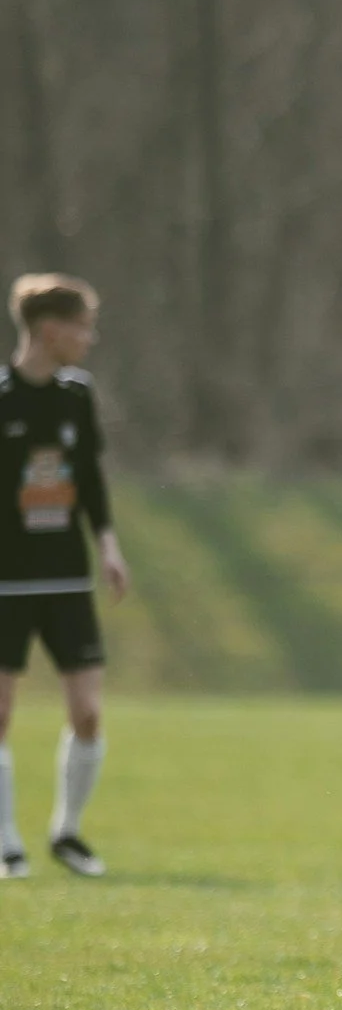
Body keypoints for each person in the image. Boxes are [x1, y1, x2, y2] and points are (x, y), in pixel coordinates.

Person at [0, 276, 129, 879]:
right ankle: (7, 843)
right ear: (49, 329)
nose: (89, 338)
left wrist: (107, 546)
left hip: (66, 579)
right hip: (5, 584)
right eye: (82, 326)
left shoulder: (77, 396)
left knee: (87, 712)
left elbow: (90, 481)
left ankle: (67, 833)